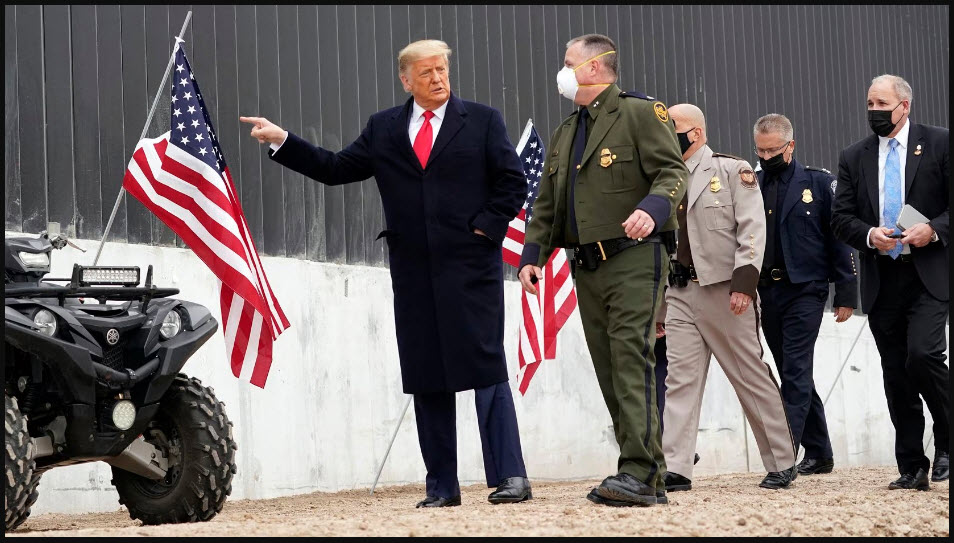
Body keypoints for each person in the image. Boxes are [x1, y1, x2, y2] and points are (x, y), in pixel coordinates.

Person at [240, 39, 532, 507]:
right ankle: (442, 488)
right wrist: (283, 141)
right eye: (427, 73)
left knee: (486, 367)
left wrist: (483, 230)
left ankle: (511, 477)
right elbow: (335, 169)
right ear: (406, 79)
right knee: (426, 375)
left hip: (469, 268)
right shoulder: (384, 128)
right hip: (413, 273)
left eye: (442, 70)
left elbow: (512, 182)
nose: (438, 79)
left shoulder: (481, 120)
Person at [518, 33, 688, 507]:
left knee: (631, 358)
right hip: (586, 267)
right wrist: (532, 256)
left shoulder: (639, 112)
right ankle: (644, 474)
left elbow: (673, 171)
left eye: (569, 62)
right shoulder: (567, 132)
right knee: (610, 368)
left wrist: (654, 209)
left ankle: (637, 470)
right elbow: (549, 203)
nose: (563, 70)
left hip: (634, 257)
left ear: (594, 67)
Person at [662, 103, 797, 491]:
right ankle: (676, 467)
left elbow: (752, 231)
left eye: (675, 127)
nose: (669, 133)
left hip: (724, 290)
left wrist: (744, 284)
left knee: (749, 375)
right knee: (680, 380)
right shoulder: (663, 178)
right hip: (680, 292)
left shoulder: (731, 171)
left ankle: (781, 459)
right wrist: (660, 305)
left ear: (697, 133)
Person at [831, 74, 949, 490]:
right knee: (896, 374)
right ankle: (912, 466)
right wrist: (868, 235)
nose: (874, 112)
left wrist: (932, 230)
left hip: (929, 273)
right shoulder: (854, 156)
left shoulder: (940, 143)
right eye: (869, 104)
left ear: (905, 106)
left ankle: (948, 438)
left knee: (923, 355)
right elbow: (840, 217)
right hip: (883, 277)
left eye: (882, 104)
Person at [752, 114, 858, 476]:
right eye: (760, 150)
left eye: (773, 150)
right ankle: (820, 451)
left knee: (795, 369)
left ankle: (785, 458)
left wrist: (846, 292)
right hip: (769, 291)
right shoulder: (753, 185)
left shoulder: (819, 182)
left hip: (806, 291)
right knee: (791, 371)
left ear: (790, 146)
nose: (766, 157)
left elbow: (838, 237)